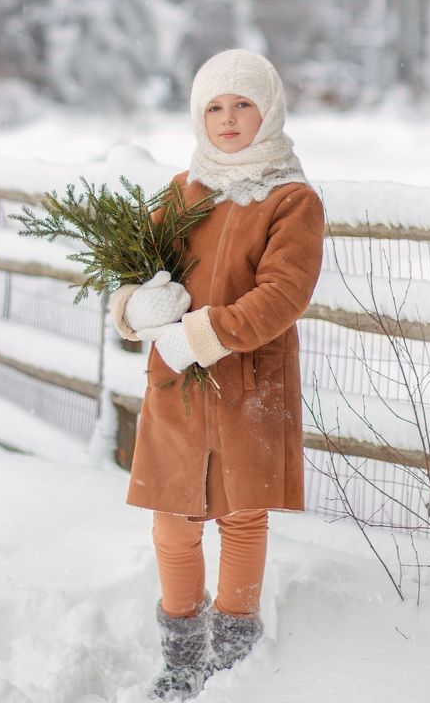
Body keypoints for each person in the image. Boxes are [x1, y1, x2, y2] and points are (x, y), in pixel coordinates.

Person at [110, 49, 324, 700]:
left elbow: (282, 295)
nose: (228, 119)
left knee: (241, 515)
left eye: (242, 105)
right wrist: (134, 307)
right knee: (173, 521)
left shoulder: (292, 199)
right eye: (214, 107)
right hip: (177, 385)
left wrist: (202, 335)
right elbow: (138, 268)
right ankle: (181, 661)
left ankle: (232, 658)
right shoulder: (183, 191)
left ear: (269, 110)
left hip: (249, 385)